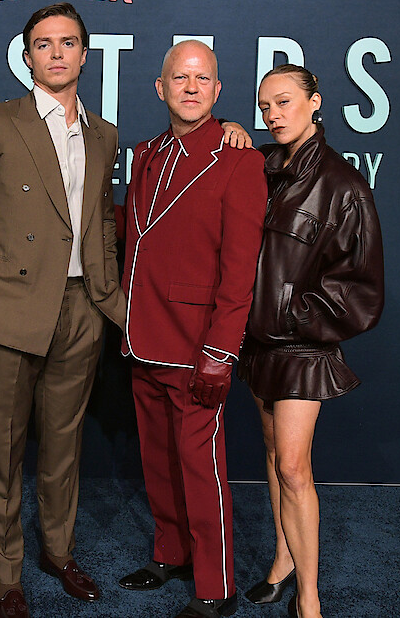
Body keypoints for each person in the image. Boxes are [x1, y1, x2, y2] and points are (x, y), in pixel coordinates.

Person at [0, 2, 126, 618]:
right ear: (27, 57)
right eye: (44, 44)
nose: (56, 53)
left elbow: (102, 223)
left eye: (67, 42)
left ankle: (58, 551)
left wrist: (106, 297)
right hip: (10, 308)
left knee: (64, 445)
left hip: (81, 309)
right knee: (2, 448)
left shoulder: (103, 134)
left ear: (84, 54)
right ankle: (7, 574)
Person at [117, 40, 267, 618]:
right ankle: (171, 553)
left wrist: (220, 352)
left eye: (202, 79)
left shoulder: (239, 161)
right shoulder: (146, 154)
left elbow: (240, 270)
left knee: (202, 469)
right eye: (180, 77)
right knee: (158, 459)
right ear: (161, 88)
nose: (190, 87)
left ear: (217, 90)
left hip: (196, 343)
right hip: (143, 334)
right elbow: (137, 234)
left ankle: (215, 585)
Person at [239, 64, 384, 618]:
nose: (273, 115)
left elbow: (362, 288)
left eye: (284, 102)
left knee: (295, 468)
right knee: (274, 455)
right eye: (265, 106)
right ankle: (282, 561)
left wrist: (291, 312)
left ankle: (309, 599)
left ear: (315, 102)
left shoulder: (343, 185)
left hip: (301, 344)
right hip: (258, 342)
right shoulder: (263, 169)